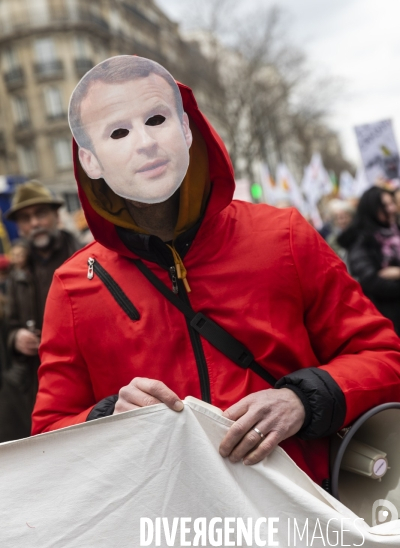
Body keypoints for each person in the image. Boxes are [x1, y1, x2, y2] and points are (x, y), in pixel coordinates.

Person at [32, 56, 400, 486]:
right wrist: (107, 418)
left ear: (186, 130)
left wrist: (303, 400)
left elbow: (385, 357)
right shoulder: (74, 285)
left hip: (308, 512)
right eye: (118, 132)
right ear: (90, 161)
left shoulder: (284, 235)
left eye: (156, 119)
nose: (145, 142)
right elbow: (47, 438)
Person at [0, 181, 81, 441]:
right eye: (25, 218)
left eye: (40, 214)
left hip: (81, 378)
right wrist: (17, 338)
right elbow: (10, 326)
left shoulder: (84, 258)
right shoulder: (18, 271)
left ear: (56, 216)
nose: (34, 223)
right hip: (36, 384)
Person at [338, 186, 400, 335]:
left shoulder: (396, 230)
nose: (392, 208)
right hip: (389, 316)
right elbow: (370, 281)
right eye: (385, 205)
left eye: (392, 203)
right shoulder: (361, 240)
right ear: (372, 208)